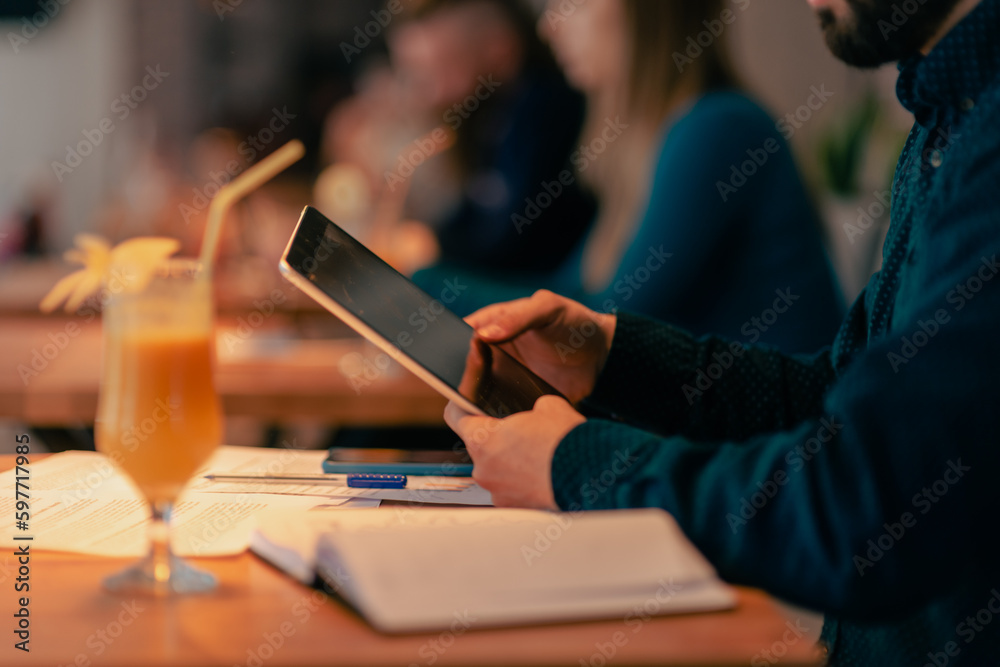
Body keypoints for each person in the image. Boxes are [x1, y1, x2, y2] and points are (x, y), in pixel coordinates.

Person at [445, 0, 1000, 664]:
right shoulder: (945, 116)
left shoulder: (983, 137)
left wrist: (579, 465)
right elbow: (834, 394)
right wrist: (618, 357)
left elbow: (867, 509)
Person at [417, 0, 843, 353]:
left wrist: (420, 285)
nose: (549, 27)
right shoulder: (654, 143)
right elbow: (564, 293)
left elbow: (599, 324)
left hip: (774, 449)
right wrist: (422, 281)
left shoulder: (719, 128)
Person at [389, 0, 597, 274]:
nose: (424, 94)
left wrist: (434, 248)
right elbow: (474, 211)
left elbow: (508, 239)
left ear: (498, 47)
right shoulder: (489, 112)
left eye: (437, 71)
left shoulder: (546, 108)